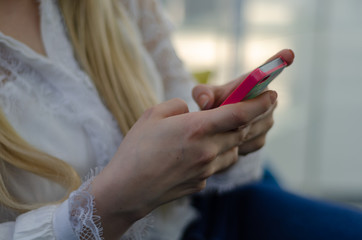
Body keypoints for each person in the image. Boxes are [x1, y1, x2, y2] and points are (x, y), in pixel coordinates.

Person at [0, 0, 296, 239]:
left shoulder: (119, 6)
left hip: (203, 212)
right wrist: (111, 203)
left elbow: (185, 99)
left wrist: (227, 131)